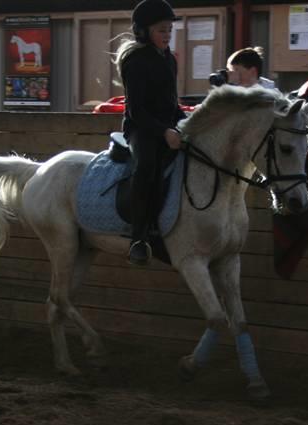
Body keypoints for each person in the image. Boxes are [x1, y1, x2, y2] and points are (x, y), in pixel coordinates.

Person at [113, 0, 185, 265]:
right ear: (144, 32)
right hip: (141, 128)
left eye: (169, 30)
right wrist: (164, 131)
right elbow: (136, 110)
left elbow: (171, 102)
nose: (167, 35)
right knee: (147, 165)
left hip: (168, 126)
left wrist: (185, 121)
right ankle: (139, 237)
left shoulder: (169, 59)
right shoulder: (135, 61)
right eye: (161, 30)